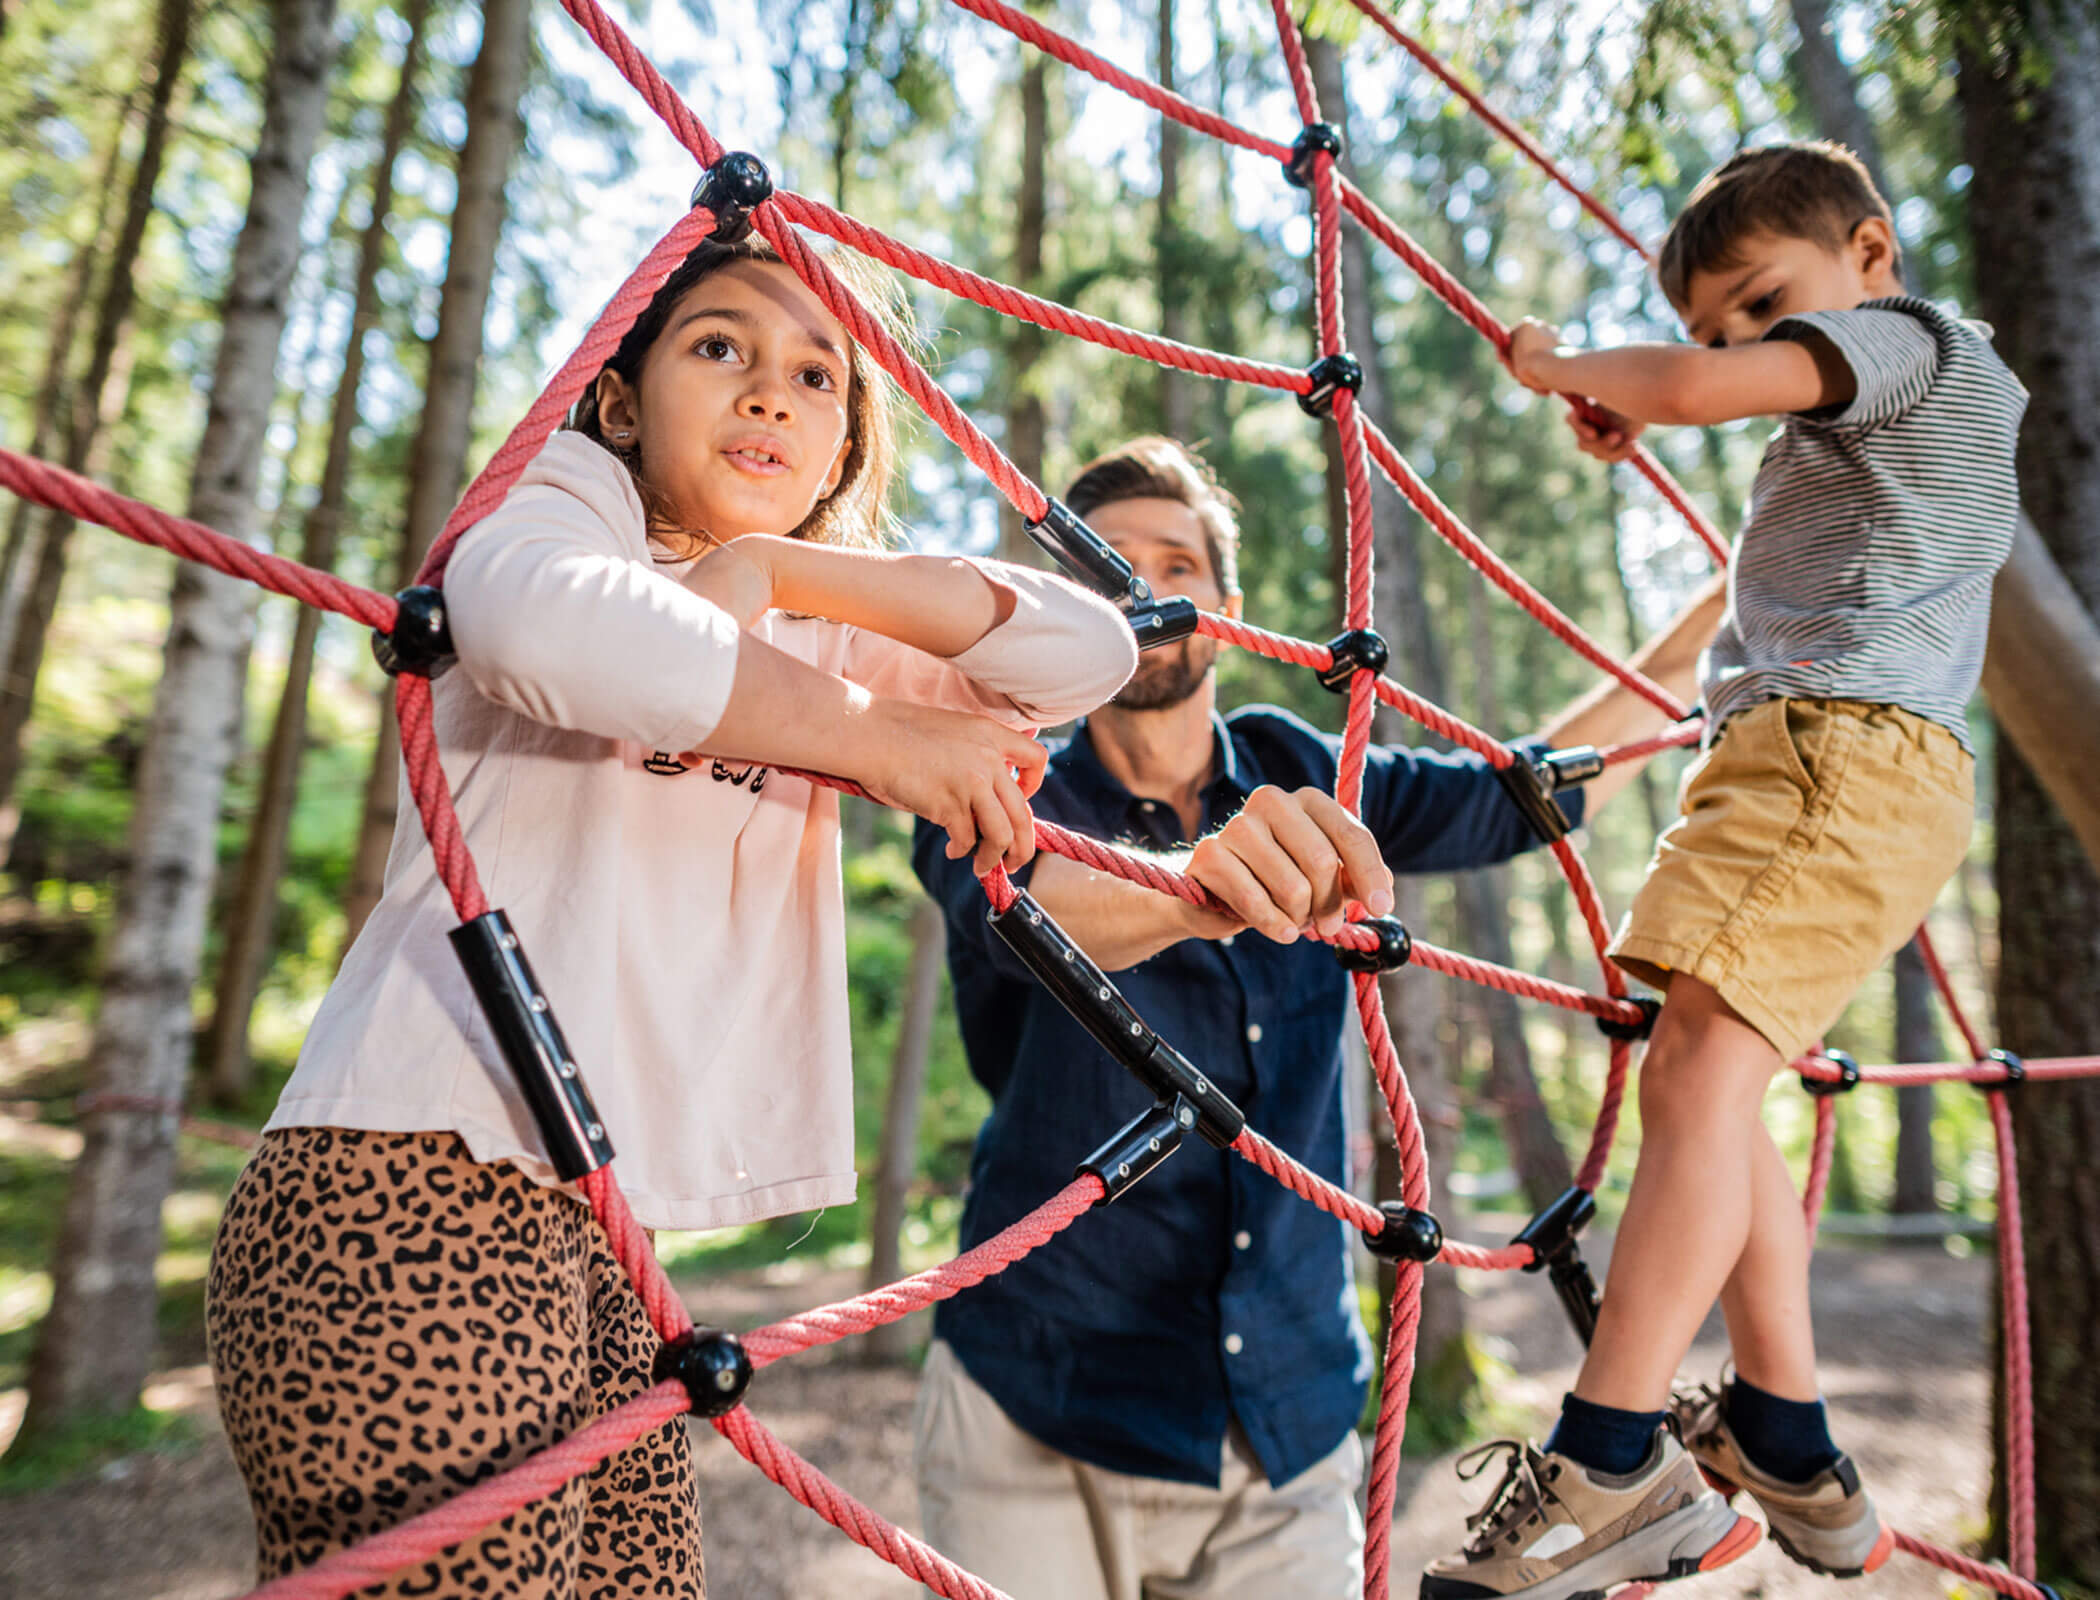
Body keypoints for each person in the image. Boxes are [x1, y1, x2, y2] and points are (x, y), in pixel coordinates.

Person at [204, 233, 1138, 1597]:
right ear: (624, 398)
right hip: (405, 1182)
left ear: (840, 445)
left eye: (817, 376)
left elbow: (1087, 648)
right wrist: (874, 738)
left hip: (601, 1234)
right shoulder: (563, 506)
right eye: (720, 348)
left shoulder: (810, 629)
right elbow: (550, 630)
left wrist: (785, 574)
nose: (770, 393)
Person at [909, 435, 1725, 1600]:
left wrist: (1699, 632)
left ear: (1229, 607)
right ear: (1054, 606)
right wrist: (1202, 886)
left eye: (1172, 561)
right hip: (1039, 1391)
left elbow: (1520, 794)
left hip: (1288, 1412)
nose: (1139, 590)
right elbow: (1017, 900)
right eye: (1103, 569)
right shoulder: (997, 768)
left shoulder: (1306, 768)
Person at [1421, 143, 2027, 1598]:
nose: (1740, 348)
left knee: (1694, 1078)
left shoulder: (1915, 343)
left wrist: (1575, 363)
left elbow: (1697, 392)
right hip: (1803, 758)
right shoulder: (1850, 424)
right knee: (1708, 1067)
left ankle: (1611, 1459)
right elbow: (1717, 436)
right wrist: (1643, 395)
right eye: (1712, 328)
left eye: (1762, 304)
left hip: (1847, 756)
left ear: (1871, 254)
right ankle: (1786, 1434)